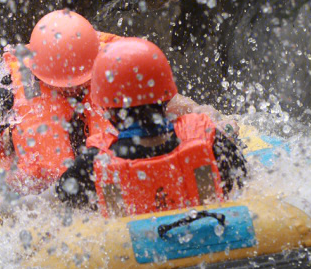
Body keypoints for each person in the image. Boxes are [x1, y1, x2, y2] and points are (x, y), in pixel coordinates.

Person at [0, 9, 234, 194]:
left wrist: (213, 118)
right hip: (44, 183)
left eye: (82, 82)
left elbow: (179, 106)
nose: (73, 92)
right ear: (37, 74)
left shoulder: (113, 68)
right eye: (62, 85)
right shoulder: (7, 87)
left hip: (94, 173)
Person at [55, 37, 247, 215]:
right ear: (167, 97)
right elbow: (242, 178)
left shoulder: (93, 162)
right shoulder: (209, 140)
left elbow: (61, 200)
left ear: (108, 110)